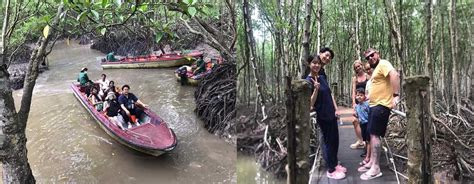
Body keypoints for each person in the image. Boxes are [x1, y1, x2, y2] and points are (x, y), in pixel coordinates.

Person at [358, 48, 400, 180]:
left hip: (381, 106)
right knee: (371, 134)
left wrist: (396, 95)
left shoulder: (384, 64)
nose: (371, 58)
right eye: (368, 57)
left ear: (378, 54)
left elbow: (394, 75)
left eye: (372, 55)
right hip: (373, 105)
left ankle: (376, 168)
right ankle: (371, 163)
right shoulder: (376, 70)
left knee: (375, 135)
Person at [306, 52, 346, 180]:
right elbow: (310, 104)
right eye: (314, 63)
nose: (316, 65)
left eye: (318, 63)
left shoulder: (322, 77)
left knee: (335, 140)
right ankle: (331, 169)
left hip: (331, 113)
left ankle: (335, 164)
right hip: (323, 115)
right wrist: (316, 89)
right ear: (309, 64)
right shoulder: (308, 81)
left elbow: (329, 95)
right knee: (328, 142)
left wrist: (336, 109)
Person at [350, 60, 369, 149]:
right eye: (356, 67)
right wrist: (354, 103)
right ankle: (360, 141)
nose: (358, 68)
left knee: (365, 122)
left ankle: (367, 141)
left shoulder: (368, 76)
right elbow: (353, 91)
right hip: (358, 103)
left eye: (359, 66)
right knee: (355, 121)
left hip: (366, 102)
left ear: (362, 65)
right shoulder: (355, 78)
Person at [354, 88, 370, 165]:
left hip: (367, 123)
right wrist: (356, 115)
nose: (359, 97)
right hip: (362, 124)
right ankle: (366, 151)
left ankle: (368, 154)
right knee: (364, 139)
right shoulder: (357, 106)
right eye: (358, 95)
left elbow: (370, 113)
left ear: (364, 96)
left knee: (368, 139)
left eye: (361, 95)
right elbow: (357, 115)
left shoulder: (367, 104)